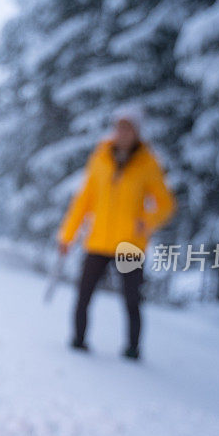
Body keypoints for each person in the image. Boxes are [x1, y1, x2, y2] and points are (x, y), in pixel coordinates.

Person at [56, 107, 175, 360]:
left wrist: (147, 220)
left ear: (137, 132)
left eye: (128, 128)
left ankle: (132, 348)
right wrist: (67, 236)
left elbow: (165, 204)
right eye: (119, 126)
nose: (122, 132)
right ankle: (78, 339)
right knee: (84, 295)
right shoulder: (100, 159)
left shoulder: (148, 163)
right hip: (98, 240)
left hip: (129, 244)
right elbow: (83, 200)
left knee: (132, 300)